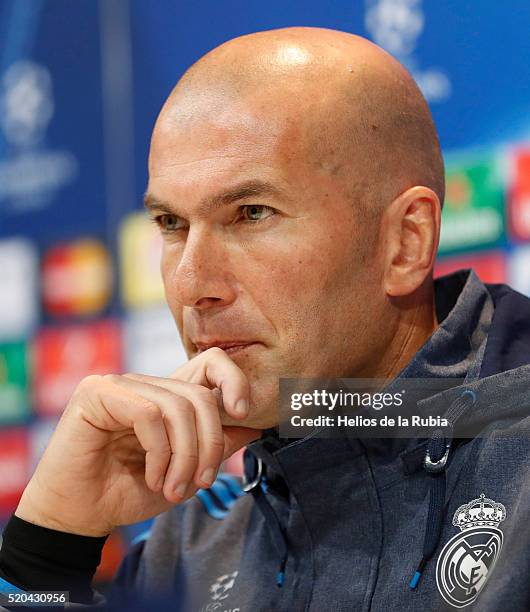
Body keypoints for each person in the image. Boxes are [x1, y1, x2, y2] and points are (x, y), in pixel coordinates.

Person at [1, 26, 529, 611]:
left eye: (252, 213)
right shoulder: (195, 540)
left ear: (404, 243)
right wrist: (47, 549)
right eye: (172, 225)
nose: (191, 285)